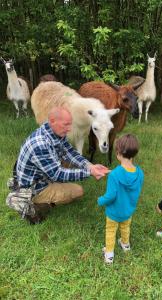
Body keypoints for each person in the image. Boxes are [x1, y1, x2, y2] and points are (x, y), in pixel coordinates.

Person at [15, 107, 109, 224]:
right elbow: (57, 174)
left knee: (67, 163)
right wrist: (89, 172)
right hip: (34, 187)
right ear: (53, 121)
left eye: (70, 124)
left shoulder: (55, 131)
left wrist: (90, 166)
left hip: (42, 174)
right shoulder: (40, 143)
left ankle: (48, 194)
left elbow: (70, 152)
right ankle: (33, 205)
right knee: (78, 191)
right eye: (66, 125)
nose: (69, 129)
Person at [97, 134, 144, 264]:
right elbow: (133, 184)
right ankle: (125, 244)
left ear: (118, 153)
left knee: (111, 231)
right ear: (134, 154)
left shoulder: (115, 176)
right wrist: (114, 172)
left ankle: (109, 255)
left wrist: (100, 200)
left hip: (113, 212)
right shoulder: (139, 173)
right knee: (125, 227)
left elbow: (110, 196)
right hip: (128, 210)